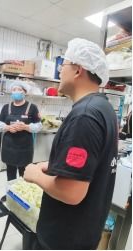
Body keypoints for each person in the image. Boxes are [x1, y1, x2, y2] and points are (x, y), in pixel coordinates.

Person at [24, 38, 118, 249]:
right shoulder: (104, 108)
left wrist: (35, 175)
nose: (59, 72)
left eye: (63, 65)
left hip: (64, 238)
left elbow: (71, 193)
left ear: (78, 70)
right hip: (85, 232)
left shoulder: (84, 116)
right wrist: (53, 167)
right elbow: (92, 166)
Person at [0, 82, 42, 202]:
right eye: (14, 89)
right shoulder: (6, 107)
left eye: (19, 89)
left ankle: (23, 196)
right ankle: (10, 194)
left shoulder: (32, 107)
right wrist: (7, 128)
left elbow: (39, 126)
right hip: (9, 146)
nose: (16, 92)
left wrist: (26, 127)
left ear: (24, 92)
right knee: (10, 171)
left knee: (24, 172)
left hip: (24, 147)